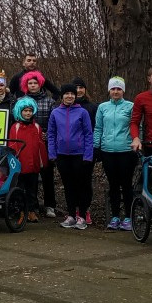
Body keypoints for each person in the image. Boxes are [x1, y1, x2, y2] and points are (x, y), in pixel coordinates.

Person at [49, 84, 95, 230]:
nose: (69, 96)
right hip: (62, 155)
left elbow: (88, 134)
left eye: (72, 94)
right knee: (68, 186)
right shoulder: (55, 113)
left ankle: (81, 215)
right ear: (62, 96)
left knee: (81, 185)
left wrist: (88, 155)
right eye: (66, 93)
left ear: (75, 96)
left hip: (79, 155)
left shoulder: (82, 112)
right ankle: (71, 215)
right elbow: (51, 134)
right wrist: (52, 153)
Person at [95, 77, 136, 230]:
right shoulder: (103, 107)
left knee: (126, 185)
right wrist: (96, 146)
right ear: (109, 91)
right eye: (113, 89)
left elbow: (137, 128)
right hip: (107, 151)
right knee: (113, 185)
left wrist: (137, 144)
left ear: (123, 91)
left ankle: (128, 218)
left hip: (126, 151)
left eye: (119, 89)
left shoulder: (131, 106)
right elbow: (98, 128)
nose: (116, 91)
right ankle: (114, 217)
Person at [20, 70, 58, 217]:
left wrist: (47, 134)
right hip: (27, 144)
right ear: (26, 85)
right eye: (30, 83)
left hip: (45, 142)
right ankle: (32, 206)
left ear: (40, 84)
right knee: (30, 176)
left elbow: (54, 123)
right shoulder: (21, 101)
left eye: (35, 83)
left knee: (47, 174)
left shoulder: (49, 101)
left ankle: (50, 205)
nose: (33, 85)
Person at [9, 97, 48, 223]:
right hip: (20, 166)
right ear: (20, 112)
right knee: (19, 190)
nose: (28, 113)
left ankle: (31, 211)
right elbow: (12, 146)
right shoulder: (15, 127)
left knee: (32, 190)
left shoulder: (37, 127)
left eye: (30, 110)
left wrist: (43, 162)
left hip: (33, 165)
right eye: (25, 110)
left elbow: (40, 145)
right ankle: (21, 212)